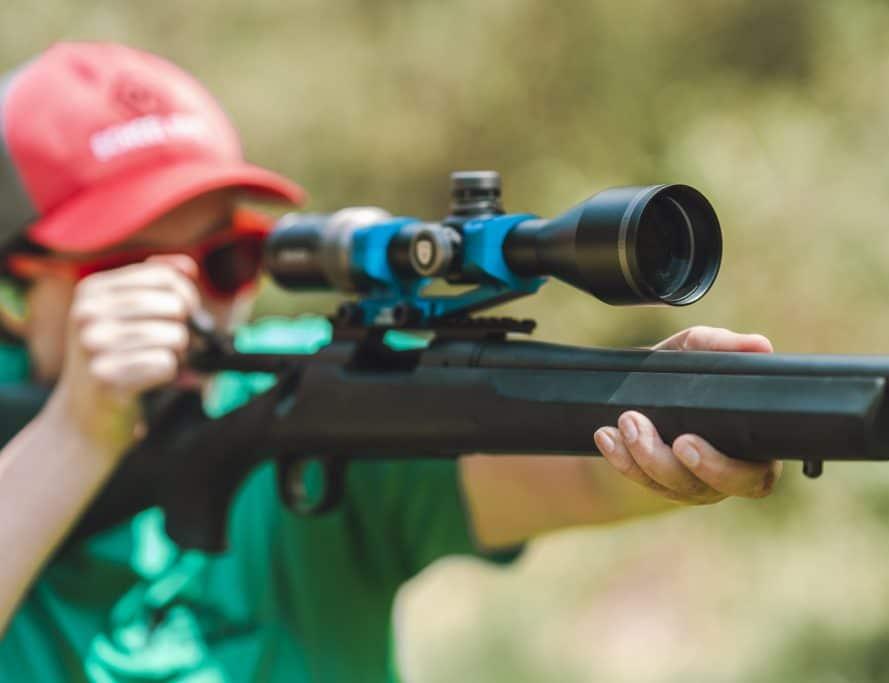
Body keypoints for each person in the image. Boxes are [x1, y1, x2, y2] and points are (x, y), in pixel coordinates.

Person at [0, 42, 782, 681]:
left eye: (228, 259)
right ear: (14, 290)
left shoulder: (302, 389)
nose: (197, 303)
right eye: (132, 268)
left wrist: (674, 400)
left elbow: (573, 463)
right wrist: (78, 431)